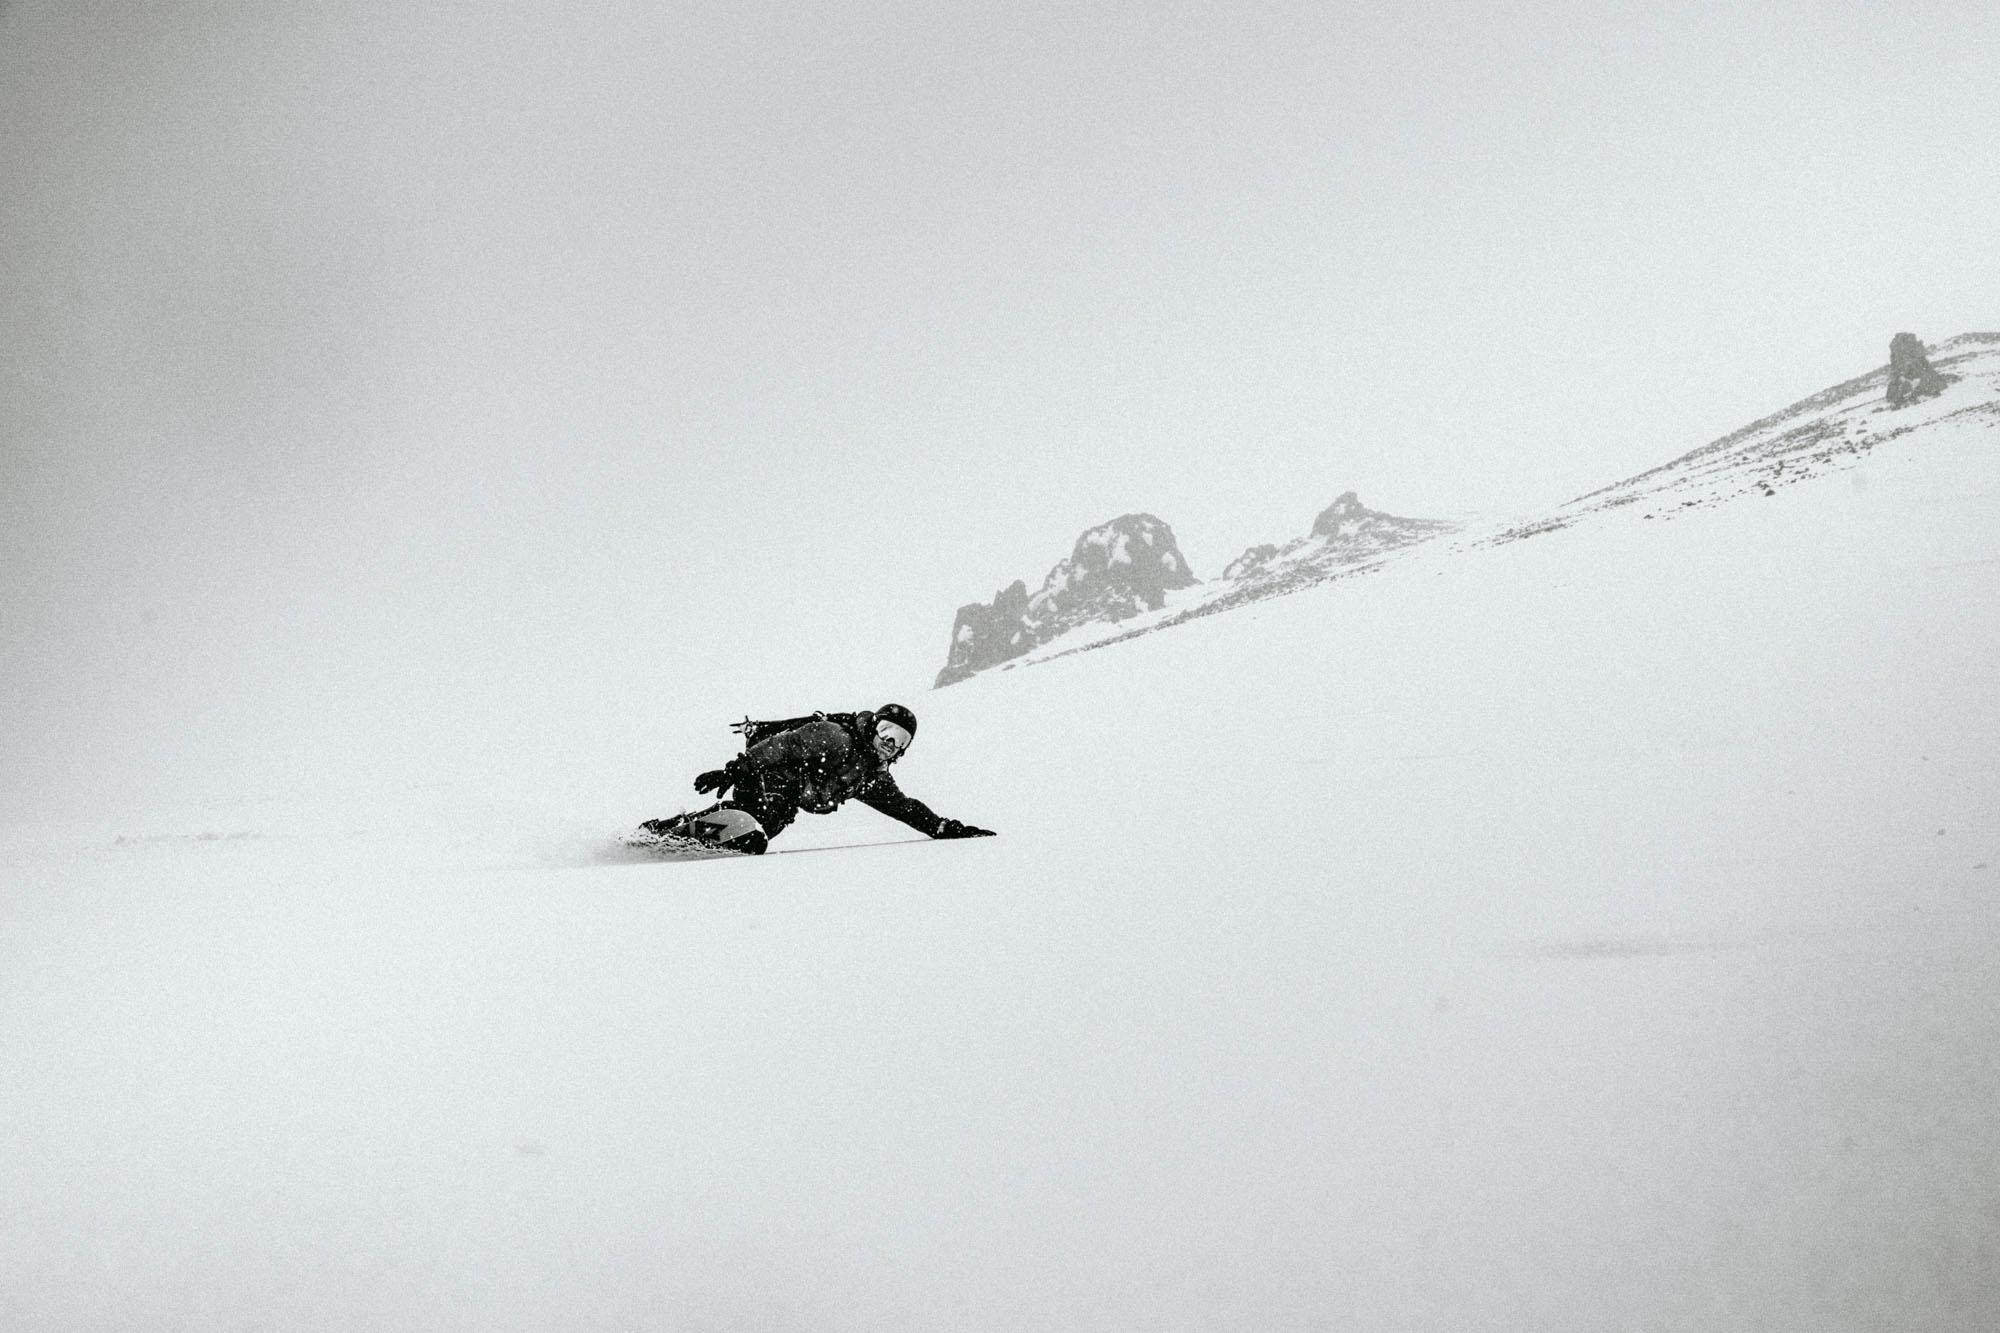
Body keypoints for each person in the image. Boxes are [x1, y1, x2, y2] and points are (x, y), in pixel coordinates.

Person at [634, 703, 995, 855]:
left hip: (784, 797)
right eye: (886, 731)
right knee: (765, 817)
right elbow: (780, 746)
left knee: (760, 830)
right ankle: (680, 829)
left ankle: (681, 831)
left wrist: (944, 828)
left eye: (898, 741)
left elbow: (905, 808)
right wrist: (734, 769)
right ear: (873, 726)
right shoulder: (836, 736)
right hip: (768, 776)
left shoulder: (871, 778)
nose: (888, 744)